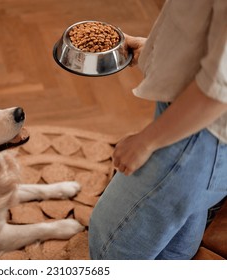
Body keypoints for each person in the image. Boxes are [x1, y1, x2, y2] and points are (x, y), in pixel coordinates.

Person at [88, 0, 227, 259]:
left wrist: (146, 142)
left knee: (112, 244)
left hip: (198, 135)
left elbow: (219, 91)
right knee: (179, 228)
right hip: (200, 130)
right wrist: (153, 51)